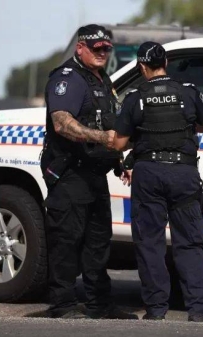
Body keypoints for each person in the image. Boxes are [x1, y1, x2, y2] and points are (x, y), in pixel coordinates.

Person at [112, 41, 203, 322]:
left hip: (149, 173)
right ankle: (199, 310)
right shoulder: (188, 92)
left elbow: (119, 143)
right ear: (166, 64)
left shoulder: (136, 97)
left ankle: (156, 310)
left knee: (150, 243)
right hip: (183, 173)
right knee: (189, 244)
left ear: (141, 67)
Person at [40, 24, 137, 320]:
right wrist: (102, 138)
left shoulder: (100, 77)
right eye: (96, 49)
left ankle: (99, 303)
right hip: (70, 173)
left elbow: (108, 120)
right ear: (79, 47)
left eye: (107, 49)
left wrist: (117, 158)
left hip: (94, 175)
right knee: (66, 241)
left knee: (98, 242)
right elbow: (61, 123)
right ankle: (63, 304)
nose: (102, 53)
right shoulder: (67, 78)